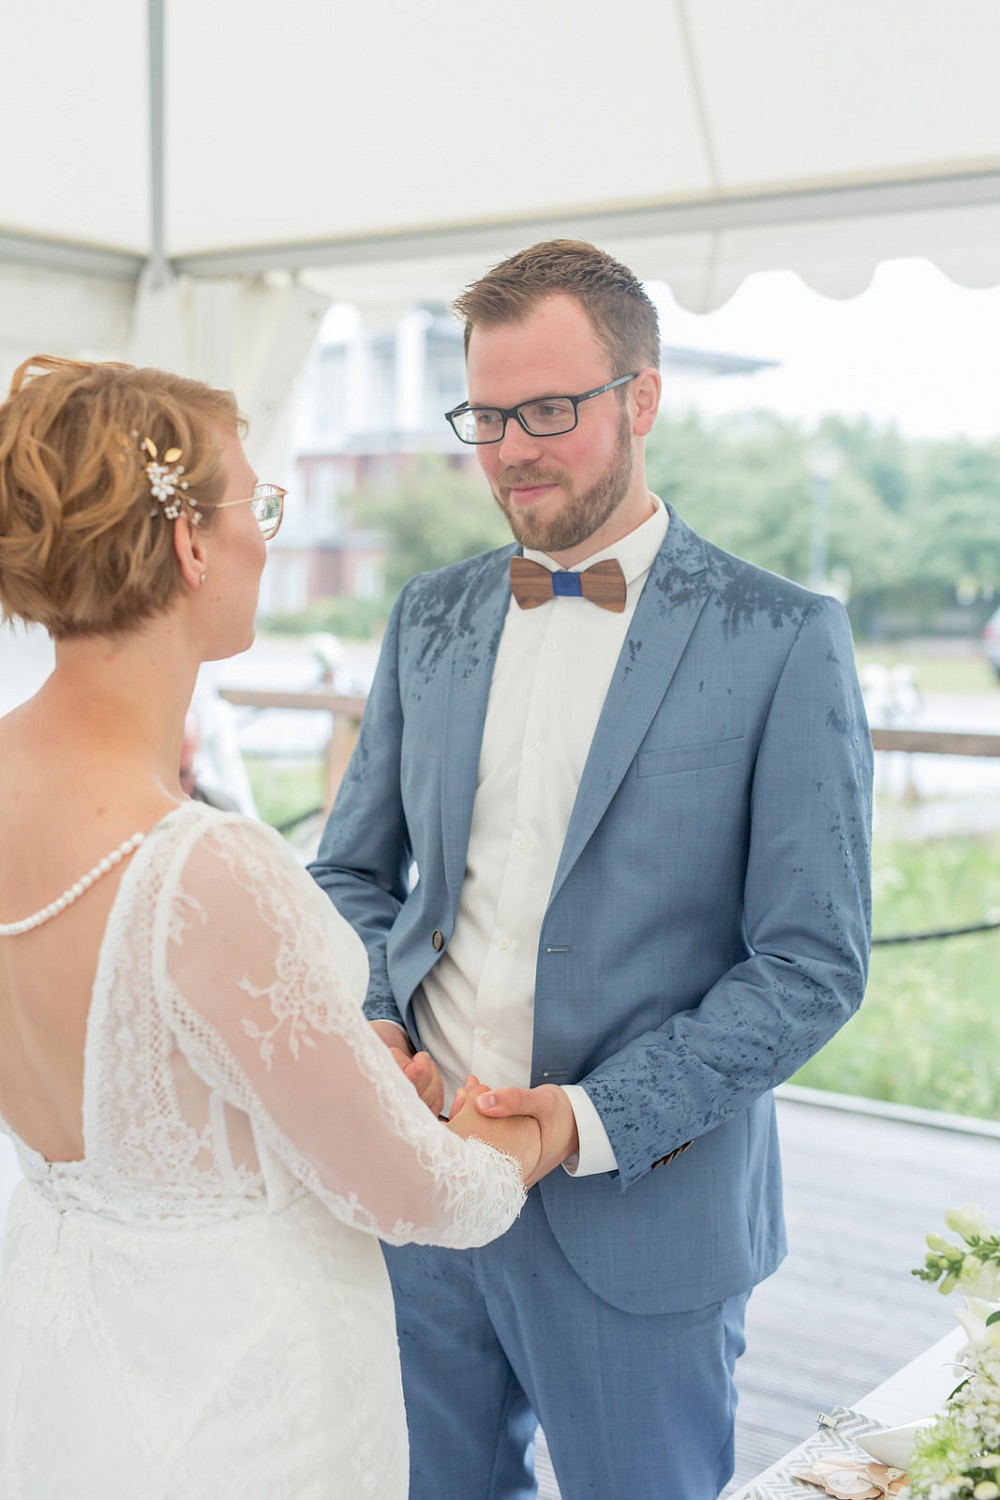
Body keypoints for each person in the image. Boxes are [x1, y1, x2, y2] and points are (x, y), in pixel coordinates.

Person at [309, 240, 874, 1500]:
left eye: (549, 410)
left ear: (642, 397)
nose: (512, 449)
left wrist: (579, 1123)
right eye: (488, 417)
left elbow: (811, 964)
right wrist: (373, 1033)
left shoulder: (784, 639)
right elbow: (349, 877)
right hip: (422, 1195)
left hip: (646, 1221)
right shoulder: (429, 616)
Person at [0, 355, 540, 1499]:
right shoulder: (202, 867)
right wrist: (520, 1144)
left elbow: (147, 1087)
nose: (267, 537)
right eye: (260, 503)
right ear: (192, 543)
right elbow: (409, 1194)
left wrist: (334, 1072)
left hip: (67, 1368)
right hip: (245, 1406)